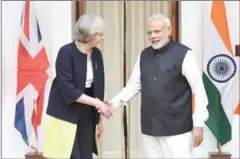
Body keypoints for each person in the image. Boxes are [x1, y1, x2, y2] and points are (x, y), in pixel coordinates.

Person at [108, 13, 209, 158]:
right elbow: (133, 86)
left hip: (177, 130)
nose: (153, 35)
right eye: (149, 32)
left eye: (157, 31)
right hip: (150, 129)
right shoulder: (143, 55)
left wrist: (199, 123)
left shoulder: (184, 54)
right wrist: (113, 103)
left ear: (169, 30)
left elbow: (199, 91)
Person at [43, 13, 112, 159]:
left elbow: (99, 86)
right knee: (67, 155)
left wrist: (99, 119)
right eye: (100, 34)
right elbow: (69, 90)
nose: (102, 38)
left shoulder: (97, 54)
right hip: (65, 111)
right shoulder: (66, 52)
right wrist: (98, 104)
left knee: (86, 155)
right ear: (91, 35)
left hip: (87, 112)